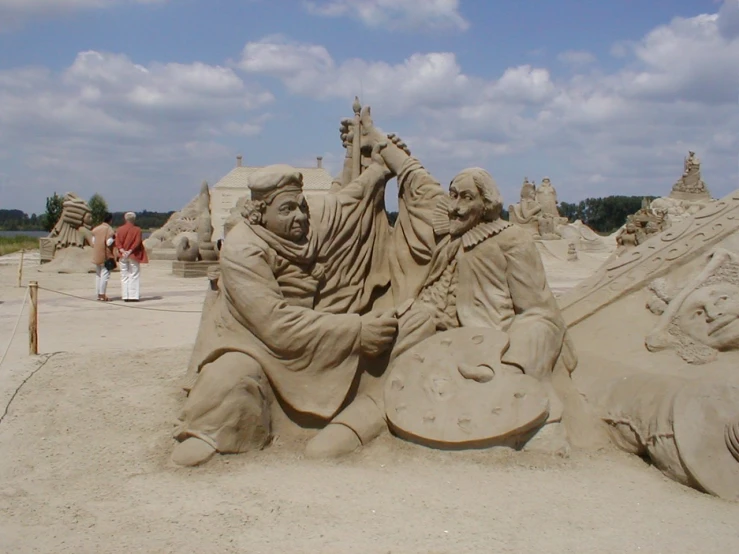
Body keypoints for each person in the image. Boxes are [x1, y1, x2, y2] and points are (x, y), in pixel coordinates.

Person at [173, 144, 401, 466]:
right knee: (233, 379)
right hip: (251, 340)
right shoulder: (242, 249)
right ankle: (211, 431)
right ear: (261, 213)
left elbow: (344, 204)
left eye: (301, 206)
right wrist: (356, 329)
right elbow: (275, 323)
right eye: (287, 209)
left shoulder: (304, 228)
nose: (299, 216)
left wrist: (379, 169)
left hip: (310, 327)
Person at [114, 212, 148, 302]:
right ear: (134, 219)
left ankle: (125, 295)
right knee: (134, 275)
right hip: (134, 255)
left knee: (124, 275)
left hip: (123, 255)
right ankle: (133, 295)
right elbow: (137, 242)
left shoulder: (119, 229)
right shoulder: (137, 229)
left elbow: (117, 242)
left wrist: (122, 250)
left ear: (125, 219)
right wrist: (130, 251)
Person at [91, 212, 115, 301]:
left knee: (98, 275)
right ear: (110, 220)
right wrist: (114, 238)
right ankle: (102, 294)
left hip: (96, 255)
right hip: (105, 255)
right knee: (105, 275)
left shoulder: (96, 229)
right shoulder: (109, 229)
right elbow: (108, 242)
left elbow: (93, 242)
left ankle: (98, 294)